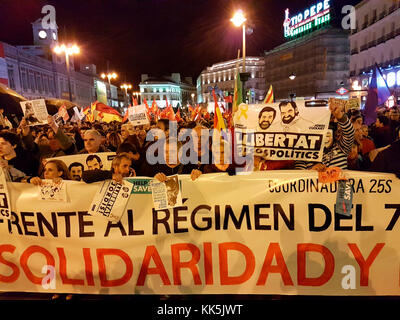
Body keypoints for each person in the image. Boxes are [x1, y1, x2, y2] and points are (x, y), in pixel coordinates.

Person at [295, 100, 355, 170]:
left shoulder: (341, 148)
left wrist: (339, 116)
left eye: (327, 135)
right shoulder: (302, 156)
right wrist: (311, 172)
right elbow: (298, 177)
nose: (324, 139)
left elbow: (349, 133)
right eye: (319, 134)